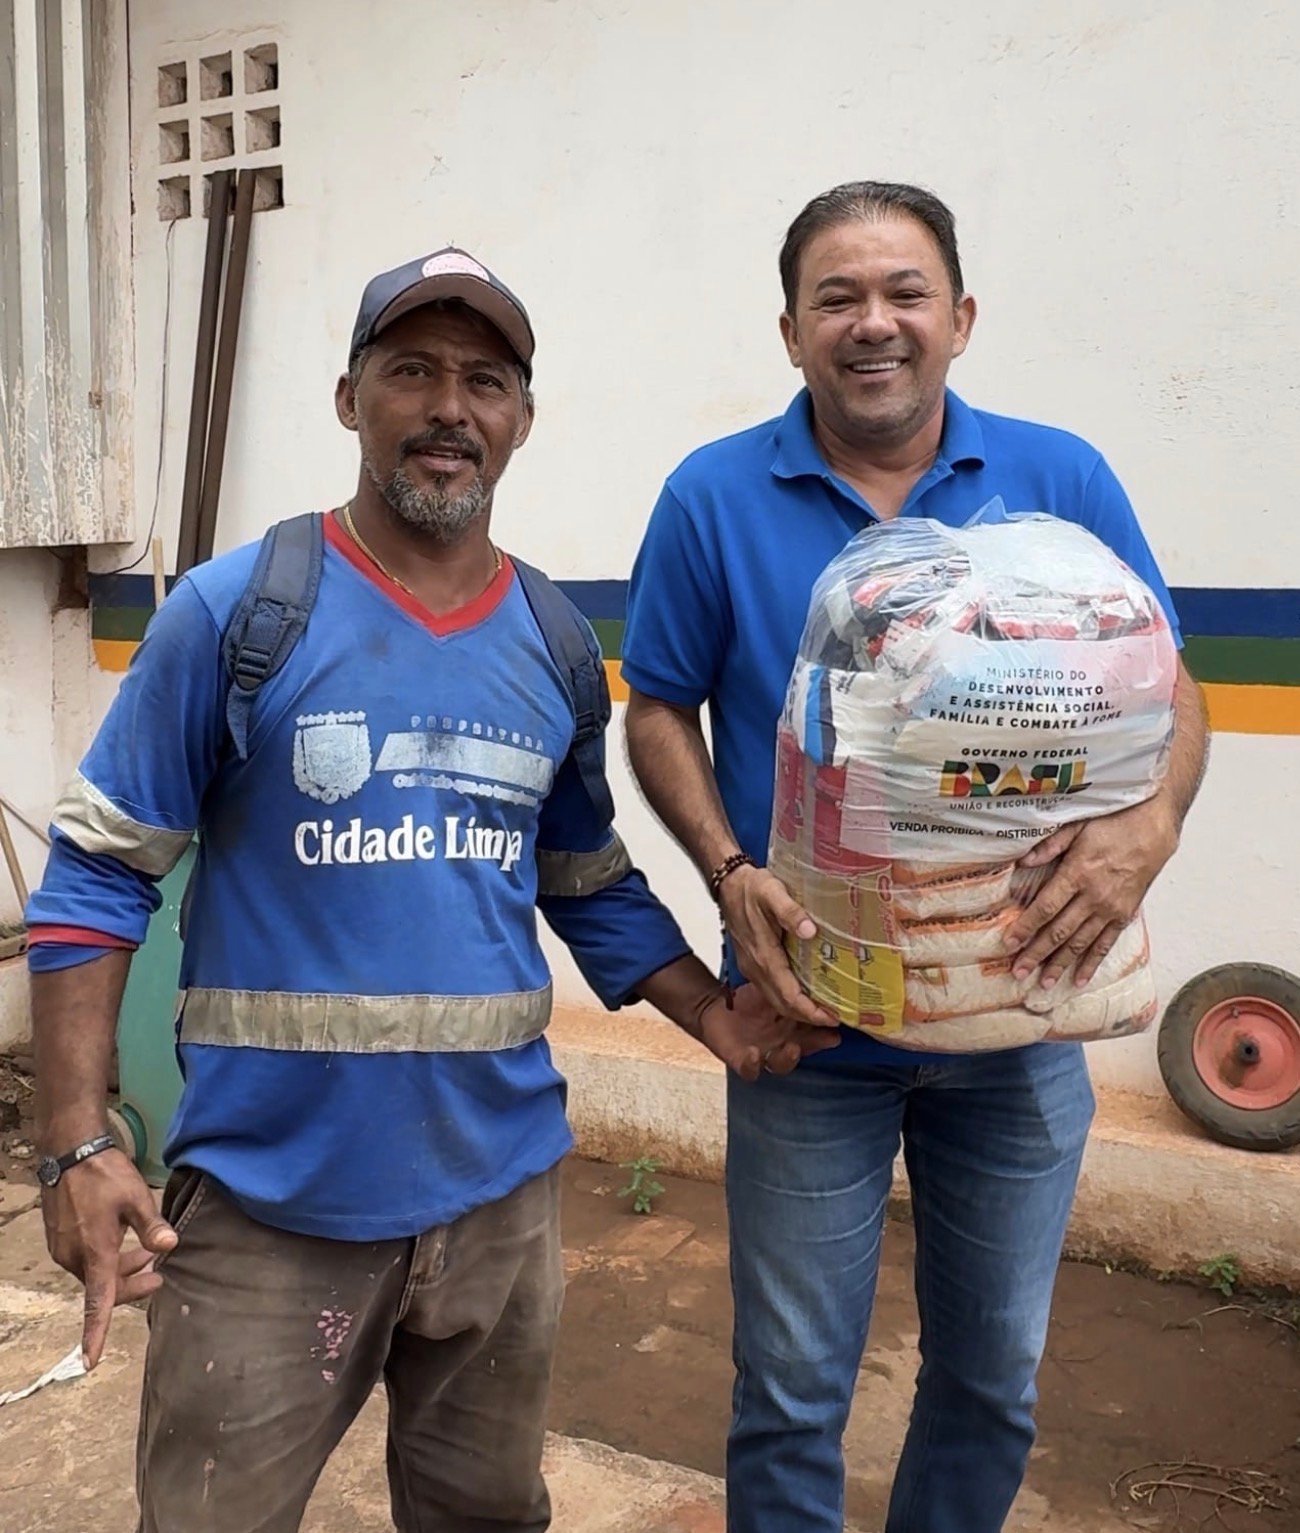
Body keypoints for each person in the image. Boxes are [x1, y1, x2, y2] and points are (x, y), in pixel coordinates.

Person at [25, 246, 834, 1533]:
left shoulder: (558, 645)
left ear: (521, 416)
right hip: (270, 1215)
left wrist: (716, 1014)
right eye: (412, 372)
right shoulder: (243, 613)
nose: (450, 407)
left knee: (486, 1518)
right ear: (351, 399)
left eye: (485, 379)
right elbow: (97, 869)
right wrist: (74, 1138)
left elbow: (586, 877)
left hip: (499, 1206)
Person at [622, 183, 1208, 1533]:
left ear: (960, 317)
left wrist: (1150, 828)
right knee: (788, 1384)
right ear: (790, 331)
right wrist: (725, 867)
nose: (871, 322)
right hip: (808, 1019)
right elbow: (656, 704)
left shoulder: (1060, 477)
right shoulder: (713, 494)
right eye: (838, 297)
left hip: (1020, 1012)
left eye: (902, 292)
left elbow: (1171, 690)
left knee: (993, 1379)